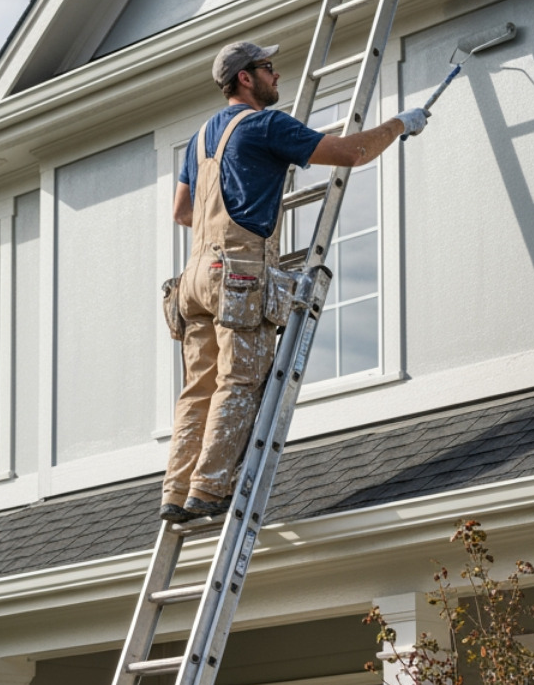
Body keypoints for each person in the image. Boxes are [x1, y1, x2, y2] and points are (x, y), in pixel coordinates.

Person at [160, 41, 431, 521]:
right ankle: (209, 489)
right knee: (239, 382)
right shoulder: (267, 125)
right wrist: (400, 125)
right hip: (238, 275)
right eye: (267, 67)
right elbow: (352, 152)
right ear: (246, 77)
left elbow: (182, 210)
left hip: (193, 280)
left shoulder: (201, 137)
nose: (277, 74)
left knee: (197, 390)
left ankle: (177, 491)